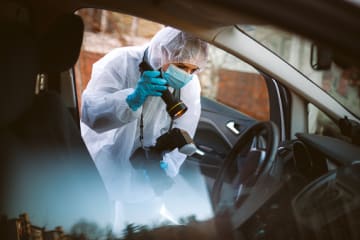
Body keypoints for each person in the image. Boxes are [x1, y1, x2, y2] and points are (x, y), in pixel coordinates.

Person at [80, 26, 208, 230]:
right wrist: (131, 100)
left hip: (145, 175)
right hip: (102, 163)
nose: (187, 76)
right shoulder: (120, 62)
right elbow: (91, 115)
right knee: (97, 226)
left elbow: (185, 131)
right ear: (163, 51)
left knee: (138, 231)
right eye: (182, 67)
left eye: (194, 70)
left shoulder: (189, 85)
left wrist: (167, 166)